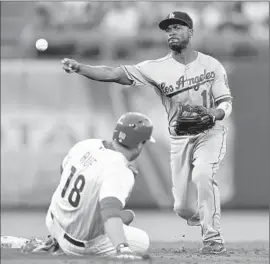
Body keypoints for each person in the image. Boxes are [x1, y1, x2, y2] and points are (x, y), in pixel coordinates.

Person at [61, 11, 233, 254]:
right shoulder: (156, 68)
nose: (172, 32)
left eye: (178, 27)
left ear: (191, 32)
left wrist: (215, 114)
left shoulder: (211, 65)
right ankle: (204, 216)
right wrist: (80, 68)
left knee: (203, 175)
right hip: (181, 137)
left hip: (210, 133)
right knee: (182, 207)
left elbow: (226, 101)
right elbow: (114, 74)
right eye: (169, 29)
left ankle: (213, 238)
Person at [10, 112, 154, 259]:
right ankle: (61, 248)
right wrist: (122, 249)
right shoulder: (120, 171)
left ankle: (54, 241)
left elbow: (63, 170)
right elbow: (110, 213)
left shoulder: (87, 144)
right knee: (143, 241)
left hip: (54, 220)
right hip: (80, 244)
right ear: (140, 144)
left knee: (128, 215)